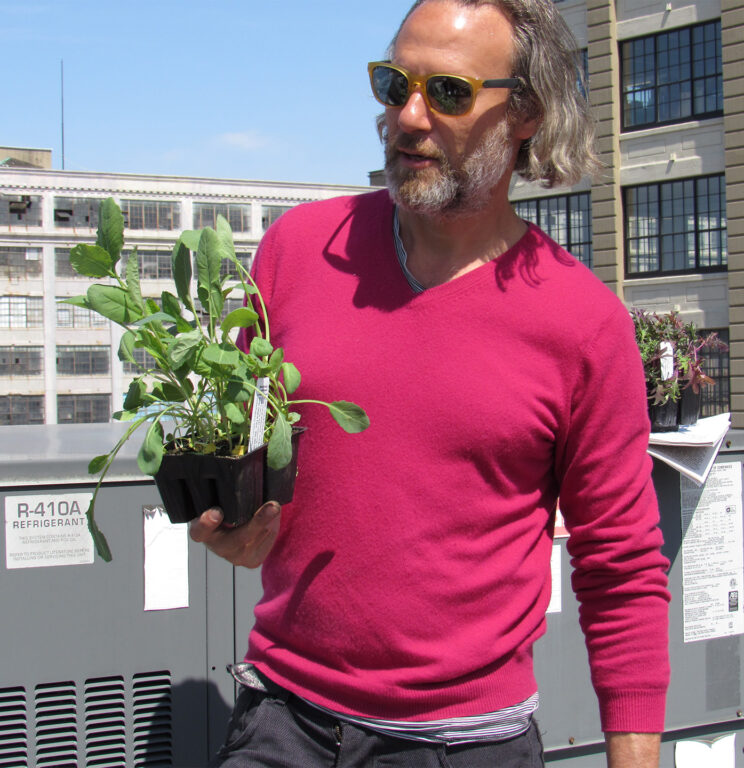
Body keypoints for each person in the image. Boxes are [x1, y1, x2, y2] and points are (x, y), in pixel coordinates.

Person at [191, 1, 671, 766]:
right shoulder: (296, 250)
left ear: (525, 114)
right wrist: (230, 526)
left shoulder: (584, 323)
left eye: (446, 92)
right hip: (283, 723)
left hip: (468, 746)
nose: (408, 117)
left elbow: (622, 569)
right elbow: (237, 452)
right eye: (393, 84)